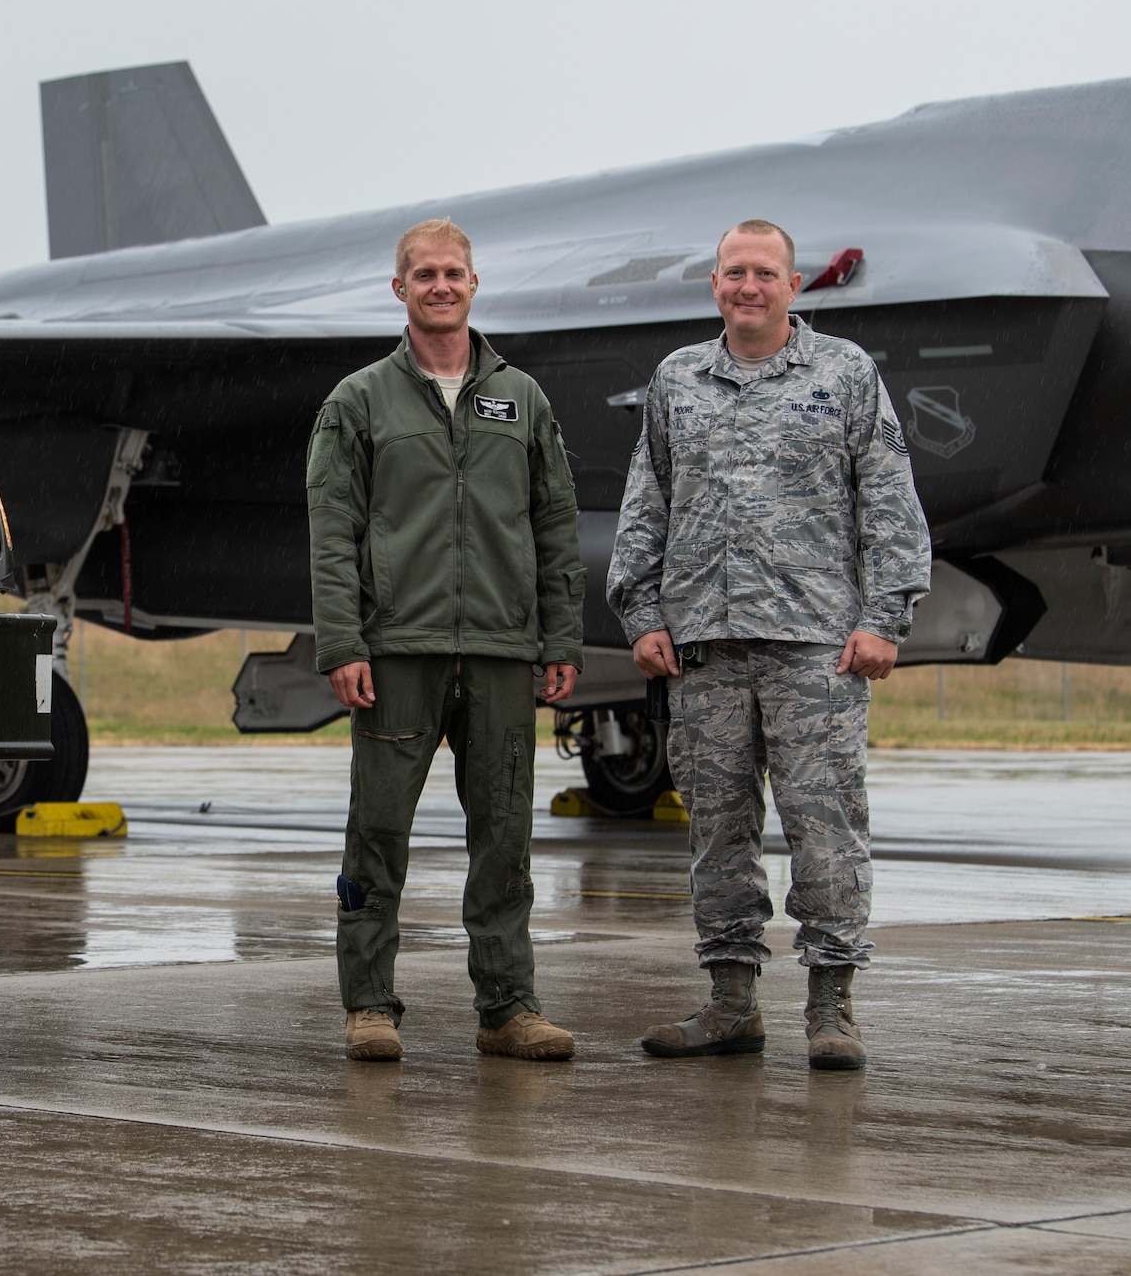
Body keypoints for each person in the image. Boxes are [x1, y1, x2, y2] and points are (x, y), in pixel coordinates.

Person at [608, 219, 931, 1071]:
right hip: (704, 647)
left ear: (794, 286)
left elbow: (889, 498)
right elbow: (649, 500)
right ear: (714, 283)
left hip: (815, 647)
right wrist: (641, 613)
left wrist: (885, 616)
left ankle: (832, 1006)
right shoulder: (679, 379)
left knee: (826, 828)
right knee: (718, 831)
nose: (749, 286)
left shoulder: (844, 373)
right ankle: (730, 1002)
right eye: (734, 272)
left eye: (766, 273)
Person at [305, 217, 586, 1062]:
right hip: (398, 648)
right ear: (400, 289)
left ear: (474, 283)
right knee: (378, 832)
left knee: (504, 835)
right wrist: (341, 642)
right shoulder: (358, 401)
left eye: (453, 273)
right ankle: (368, 1004)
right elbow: (332, 527)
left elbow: (555, 521)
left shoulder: (522, 399)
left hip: (502, 649)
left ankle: (509, 1007)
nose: (439, 285)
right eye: (422, 274)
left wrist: (560, 637)